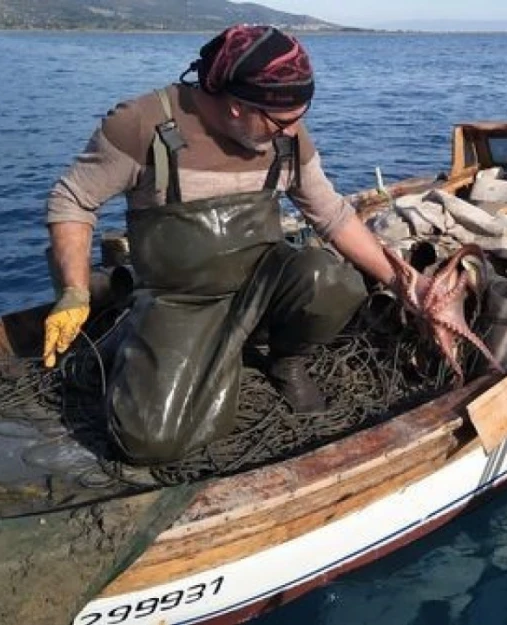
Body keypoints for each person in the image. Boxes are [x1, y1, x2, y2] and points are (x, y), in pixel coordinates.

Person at [42, 25, 411, 466]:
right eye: (283, 122)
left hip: (263, 281)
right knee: (146, 443)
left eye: (299, 117)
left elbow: (331, 213)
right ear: (237, 107)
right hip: (180, 299)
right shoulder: (140, 124)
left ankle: (285, 362)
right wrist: (74, 292)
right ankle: (127, 335)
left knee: (334, 280)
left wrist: (401, 280)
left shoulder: (286, 136)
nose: (293, 133)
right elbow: (73, 200)